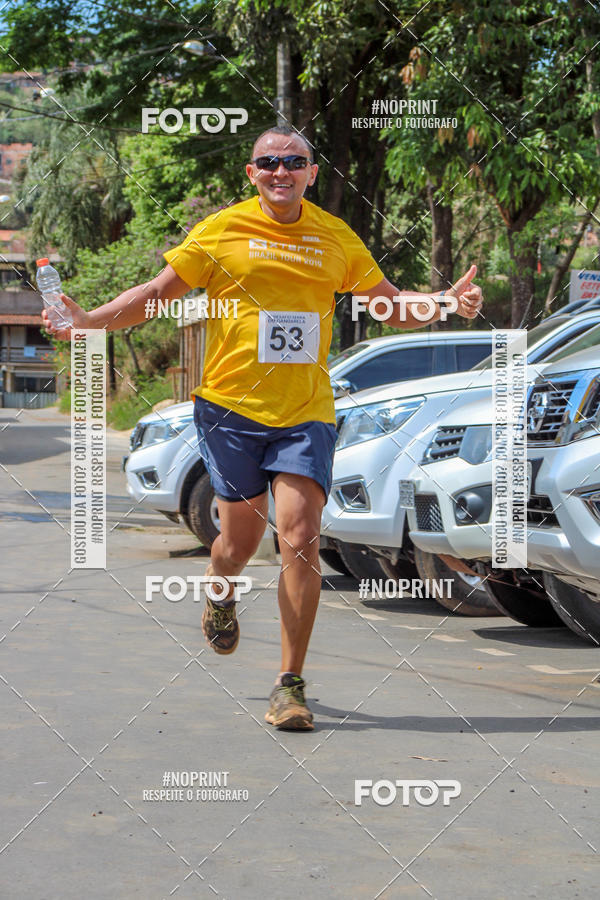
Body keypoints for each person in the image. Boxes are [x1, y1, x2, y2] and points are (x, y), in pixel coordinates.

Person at [43, 125, 483, 731]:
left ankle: (289, 684)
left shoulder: (333, 236)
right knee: (238, 544)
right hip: (229, 411)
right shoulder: (223, 230)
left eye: (294, 162)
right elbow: (156, 295)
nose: (281, 171)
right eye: (269, 162)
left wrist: (440, 303)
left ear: (310, 172)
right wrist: (90, 320)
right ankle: (219, 588)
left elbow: (385, 301)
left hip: (305, 412)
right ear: (252, 173)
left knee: (300, 537)